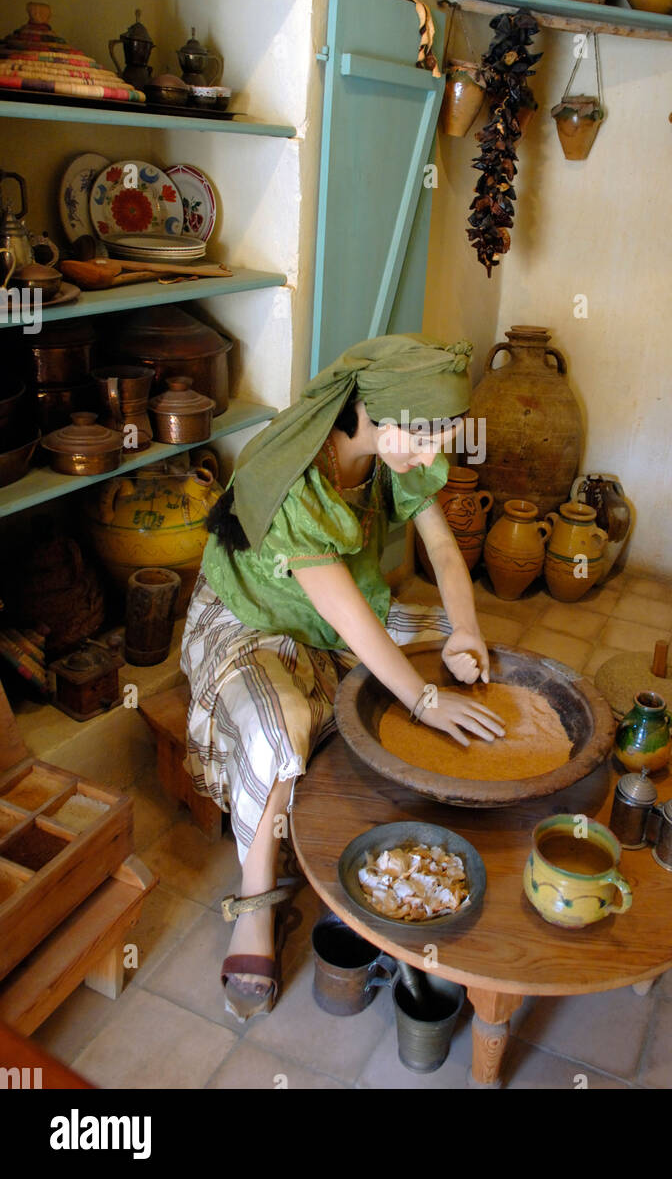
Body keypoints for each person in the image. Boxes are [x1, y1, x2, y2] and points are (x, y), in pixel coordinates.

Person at [179, 333, 504, 1020]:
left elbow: (444, 550)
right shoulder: (296, 474)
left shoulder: (401, 446)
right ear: (374, 414)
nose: (429, 455)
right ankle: (256, 904)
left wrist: (465, 632)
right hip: (252, 621)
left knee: (467, 652)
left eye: (438, 439)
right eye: (421, 440)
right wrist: (420, 697)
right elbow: (349, 619)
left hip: (337, 619)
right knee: (282, 728)